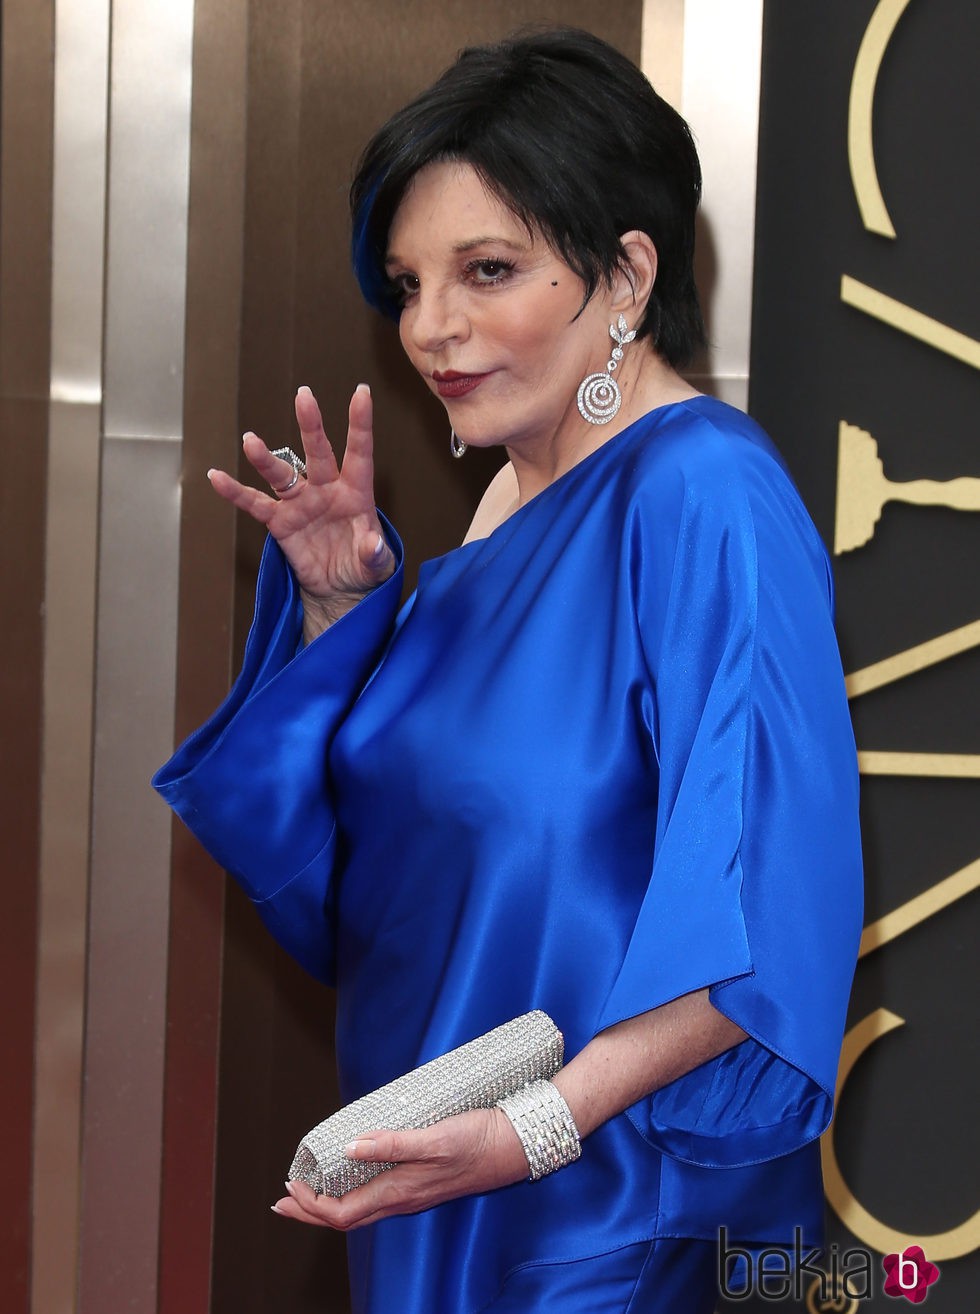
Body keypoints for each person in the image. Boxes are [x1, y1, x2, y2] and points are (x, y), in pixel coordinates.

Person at [153, 27, 863, 1314]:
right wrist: (341, 610)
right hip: (439, 1186)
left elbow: (761, 893)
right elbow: (379, 898)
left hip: (608, 1222)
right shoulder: (486, 521)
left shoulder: (703, 492)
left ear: (626, 273)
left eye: (487, 270)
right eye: (406, 282)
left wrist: (540, 1129)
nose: (431, 327)